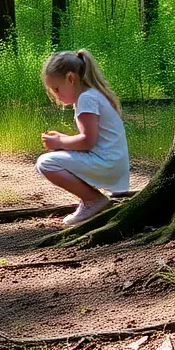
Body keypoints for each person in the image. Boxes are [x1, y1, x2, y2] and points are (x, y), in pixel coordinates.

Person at [36, 49, 129, 226]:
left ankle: (92, 200)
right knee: (50, 160)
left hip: (107, 164)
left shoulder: (87, 99)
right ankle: (93, 199)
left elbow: (87, 141)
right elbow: (92, 139)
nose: (55, 95)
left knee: (45, 163)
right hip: (113, 163)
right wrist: (62, 139)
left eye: (56, 88)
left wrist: (59, 142)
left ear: (71, 78)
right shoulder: (92, 95)